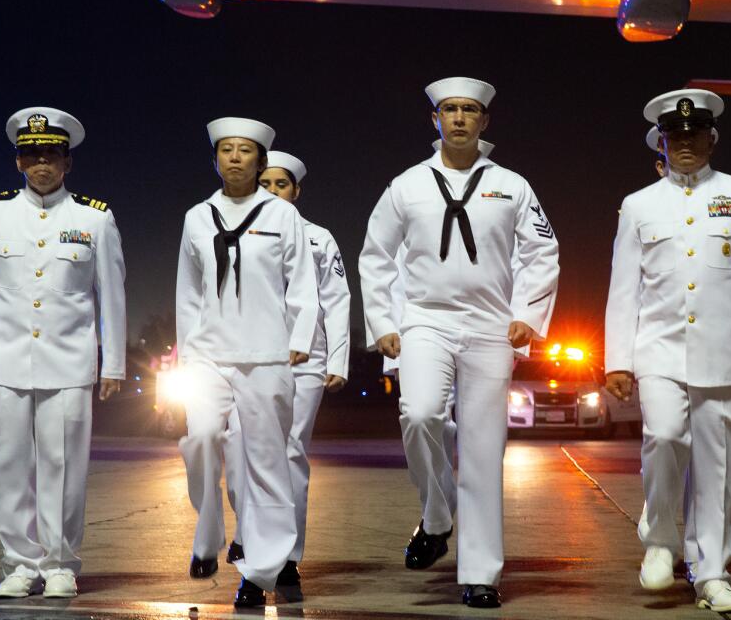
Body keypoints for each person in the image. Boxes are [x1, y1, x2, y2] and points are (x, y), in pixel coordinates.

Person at [360, 77, 559, 608]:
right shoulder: (407, 185)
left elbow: (543, 252)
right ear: (435, 119)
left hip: (492, 326)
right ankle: (437, 514)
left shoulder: (513, 186)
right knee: (420, 414)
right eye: (449, 110)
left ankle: (481, 574)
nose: (460, 118)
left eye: (470, 110)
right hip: (425, 320)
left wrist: (529, 318)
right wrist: (383, 320)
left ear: (484, 121)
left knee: (482, 447)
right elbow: (376, 255)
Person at [605, 90, 731, 614]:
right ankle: (661, 539)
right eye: (675, 136)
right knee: (664, 436)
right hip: (659, 351)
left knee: (718, 470)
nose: (685, 144)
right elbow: (625, 287)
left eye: (695, 135)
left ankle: (711, 573)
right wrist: (616, 357)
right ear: (661, 144)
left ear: (712, 139)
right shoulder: (639, 204)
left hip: (725, 352)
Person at [0, 107, 126, 599]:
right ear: (18, 163)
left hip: (70, 365)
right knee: (11, 466)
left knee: (64, 466)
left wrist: (111, 363)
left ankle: (60, 563)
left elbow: (111, 294)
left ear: (68, 162)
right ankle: (20, 564)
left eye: (51, 155)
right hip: (5, 363)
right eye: (32, 155)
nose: (42, 164)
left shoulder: (94, 217)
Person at [175, 118, 319, 608]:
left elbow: (303, 283)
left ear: (260, 163)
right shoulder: (197, 217)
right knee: (200, 437)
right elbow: (188, 292)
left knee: (265, 465)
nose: (235, 158)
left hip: (266, 355)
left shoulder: (282, 216)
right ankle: (210, 525)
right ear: (214, 160)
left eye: (245, 151)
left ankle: (260, 572)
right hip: (209, 354)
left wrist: (299, 338)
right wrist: (186, 349)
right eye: (226, 150)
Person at [219, 150, 350, 588]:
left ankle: (287, 554)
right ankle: (249, 532)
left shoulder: (319, 238)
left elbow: (336, 300)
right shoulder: (236, 229)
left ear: (297, 191)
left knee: (290, 453)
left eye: (282, 185)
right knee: (238, 449)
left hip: (304, 360)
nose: (274, 191)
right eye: (267, 183)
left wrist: (338, 359)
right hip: (244, 359)